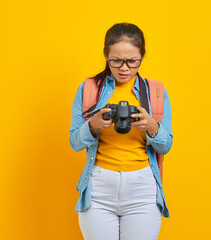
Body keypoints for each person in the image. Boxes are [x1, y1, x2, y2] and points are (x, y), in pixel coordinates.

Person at [69, 22, 173, 240]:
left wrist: (152, 127)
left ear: (142, 57)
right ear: (106, 55)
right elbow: (75, 143)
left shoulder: (155, 92)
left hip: (142, 188)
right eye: (116, 60)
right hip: (98, 188)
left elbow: (166, 146)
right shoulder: (89, 89)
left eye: (132, 61)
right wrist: (93, 125)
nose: (124, 68)